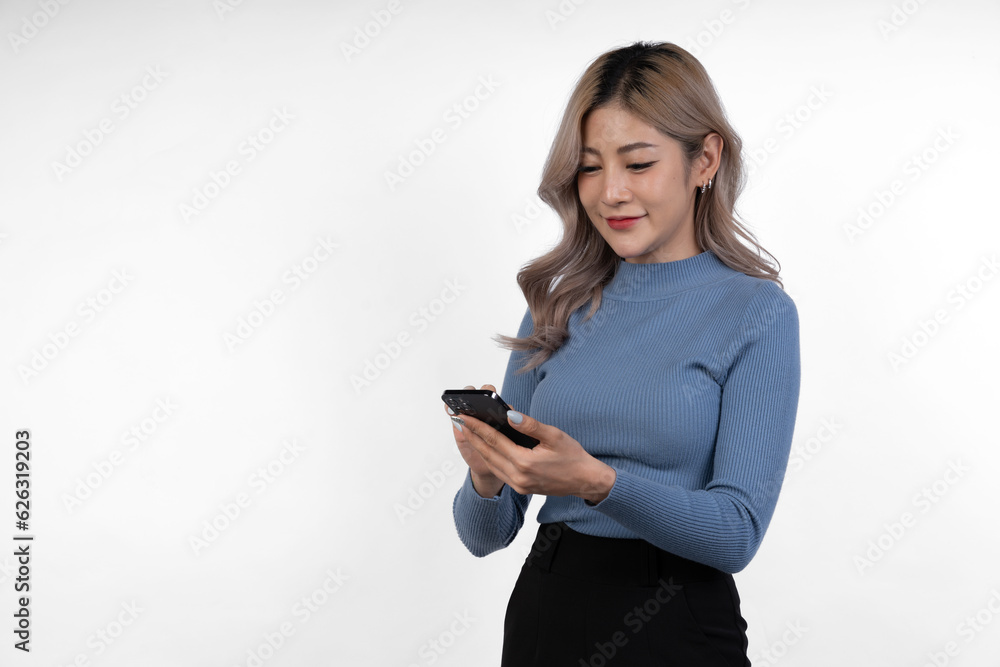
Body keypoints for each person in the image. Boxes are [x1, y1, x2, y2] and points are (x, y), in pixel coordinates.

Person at [446, 40, 800, 666]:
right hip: (546, 612)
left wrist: (596, 482)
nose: (610, 192)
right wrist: (485, 470)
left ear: (705, 159)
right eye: (589, 167)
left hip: (676, 623)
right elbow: (484, 537)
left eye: (637, 164)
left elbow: (737, 535)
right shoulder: (557, 305)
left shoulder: (755, 312)